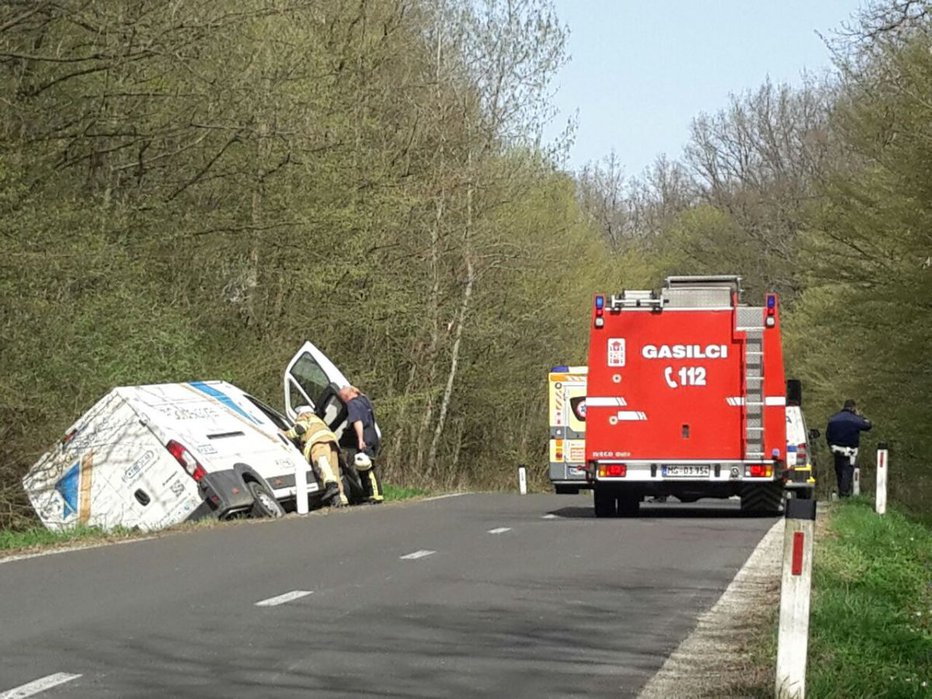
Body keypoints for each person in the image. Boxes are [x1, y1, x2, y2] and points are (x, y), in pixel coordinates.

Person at [284, 406, 348, 507]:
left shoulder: (305, 416)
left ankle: (331, 486)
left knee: (323, 465)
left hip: (318, 443)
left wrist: (285, 434)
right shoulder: (319, 420)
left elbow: (300, 429)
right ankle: (341, 498)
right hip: (332, 443)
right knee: (334, 470)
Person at [338, 385, 384, 503]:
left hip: (365, 438)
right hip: (372, 435)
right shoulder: (363, 399)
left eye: (342, 397)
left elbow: (357, 422)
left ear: (346, 396)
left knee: (367, 467)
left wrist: (360, 439)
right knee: (365, 466)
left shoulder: (352, 404)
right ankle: (368, 494)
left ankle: (376, 495)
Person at [825, 399, 872, 498]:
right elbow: (868, 425)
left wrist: (830, 445)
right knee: (847, 470)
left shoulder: (833, 419)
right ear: (853, 408)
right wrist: (861, 416)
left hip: (836, 448)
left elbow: (828, 435)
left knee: (839, 470)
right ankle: (844, 494)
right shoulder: (855, 419)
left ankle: (840, 491)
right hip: (850, 450)